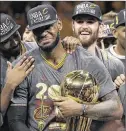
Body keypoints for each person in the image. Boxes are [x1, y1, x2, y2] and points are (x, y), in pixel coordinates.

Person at [7, 4, 122, 131]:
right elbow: (16, 120)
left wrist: (80, 109)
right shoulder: (24, 65)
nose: (43, 33)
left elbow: (116, 109)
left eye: (48, 27)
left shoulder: (87, 61)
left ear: (59, 25)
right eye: (38, 29)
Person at [61, 2, 125, 131]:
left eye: (90, 22)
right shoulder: (61, 59)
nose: (84, 27)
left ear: (100, 28)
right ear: (73, 26)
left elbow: (119, 116)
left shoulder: (114, 65)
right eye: (80, 22)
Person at [0, 13, 35, 130]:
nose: (15, 43)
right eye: (6, 42)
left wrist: (69, 43)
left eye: (15, 35)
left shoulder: (35, 49)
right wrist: (9, 85)